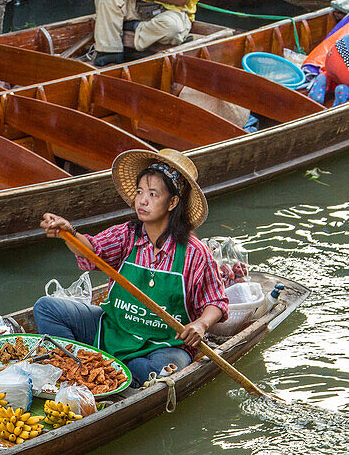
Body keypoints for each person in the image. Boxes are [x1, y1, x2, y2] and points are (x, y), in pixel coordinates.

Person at [33, 148, 227, 383]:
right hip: (114, 328)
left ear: (172, 202)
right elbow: (93, 250)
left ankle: (107, 370)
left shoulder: (195, 253)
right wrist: (70, 233)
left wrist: (201, 324)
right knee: (46, 308)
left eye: (153, 194)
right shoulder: (127, 235)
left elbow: (216, 301)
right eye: (139, 192)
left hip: (161, 343)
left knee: (162, 369)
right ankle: (80, 366)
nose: (142, 200)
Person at [93, 0, 200, 67]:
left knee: (172, 28)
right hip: (136, 6)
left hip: (171, 11)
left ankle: (133, 27)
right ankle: (109, 52)